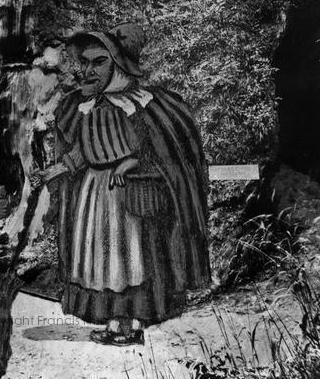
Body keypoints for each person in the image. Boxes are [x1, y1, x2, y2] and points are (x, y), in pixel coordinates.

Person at [31, 23, 211, 346]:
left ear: (118, 64)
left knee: (130, 261)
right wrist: (51, 173)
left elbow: (157, 154)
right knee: (101, 260)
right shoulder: (86, 107)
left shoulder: (142, 105)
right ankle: (114, 321)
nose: (87, 71)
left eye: (97, 62)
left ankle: (134, 323)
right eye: (84, 62)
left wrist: (131, 162)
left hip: (127, 197)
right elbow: (81, 156)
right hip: (94, 196)